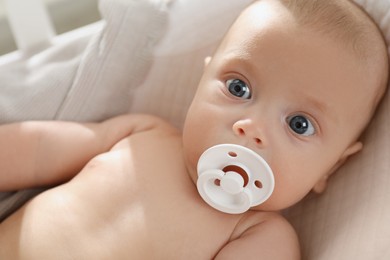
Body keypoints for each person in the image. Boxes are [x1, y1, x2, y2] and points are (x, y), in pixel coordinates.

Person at [0, 0, 388, 258]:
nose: (251, 128)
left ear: (331, 168)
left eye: (299, 124)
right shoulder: (140, 135)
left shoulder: (260, 235)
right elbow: (37, 148)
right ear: (202, 81)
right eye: (239, 88)